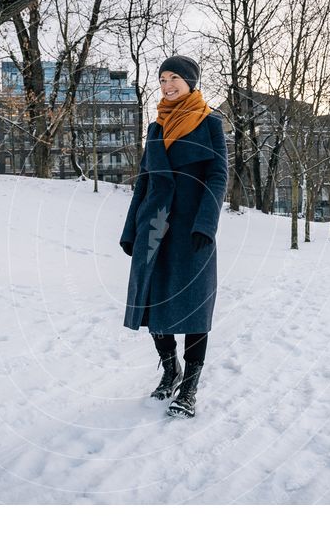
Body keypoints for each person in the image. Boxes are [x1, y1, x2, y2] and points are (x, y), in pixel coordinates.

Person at [119, 55, 228, 419]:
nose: (167, 85)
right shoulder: (155, 128)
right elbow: (145, 181)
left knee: (194, 308)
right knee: (152, 304)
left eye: (174, 78)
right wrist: (131, 228)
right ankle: (170, 370)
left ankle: (190, 389)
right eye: (163, 79)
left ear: (190, 82)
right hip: (154, 226)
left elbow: (218, 175)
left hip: (190, 228)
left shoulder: (210, 121)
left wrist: (206, 224)